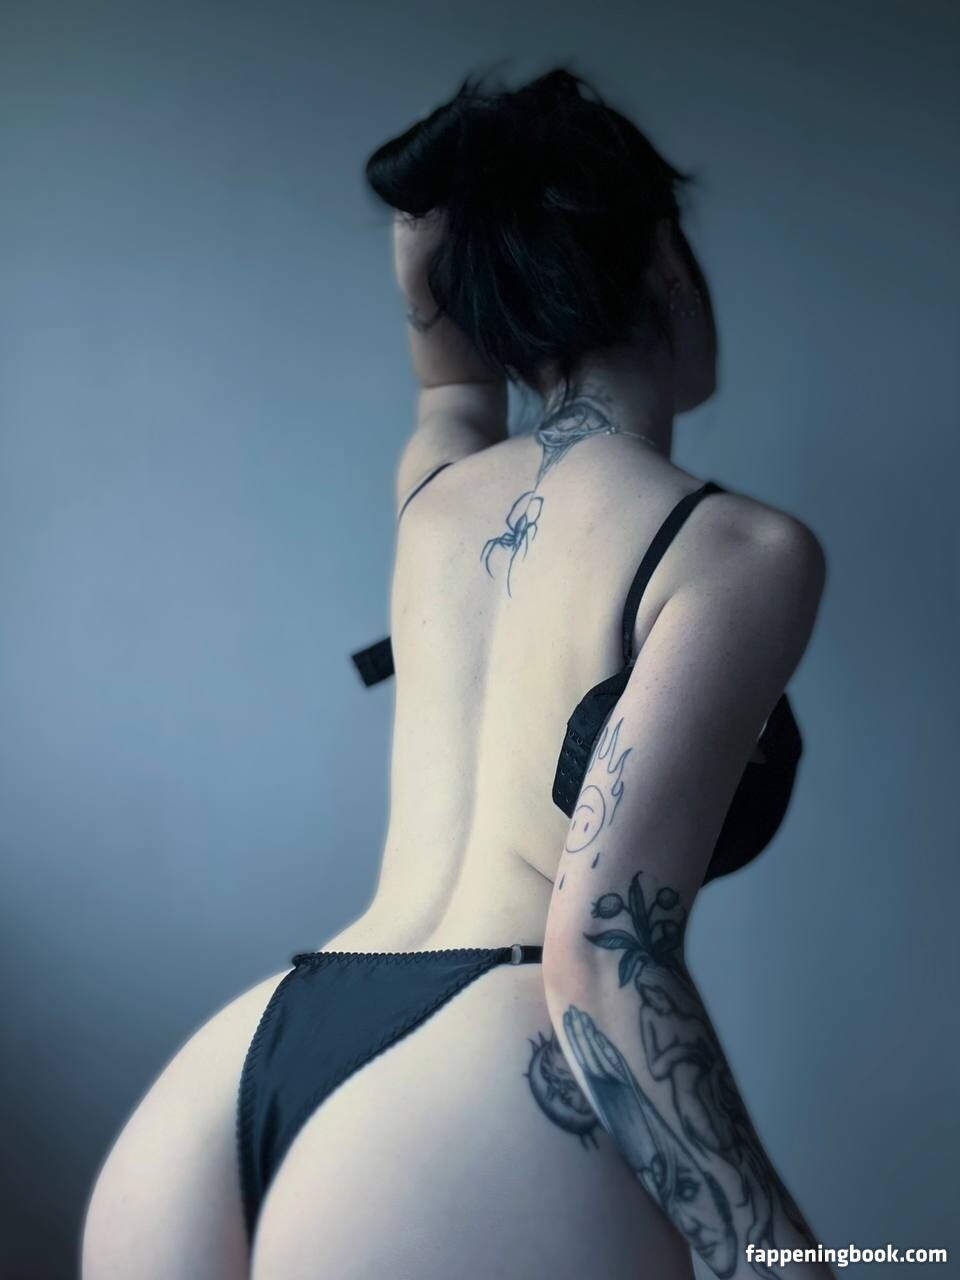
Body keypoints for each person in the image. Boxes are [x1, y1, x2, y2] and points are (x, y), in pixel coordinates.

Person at [81, 65, 832, 1280]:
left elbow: (446, 381)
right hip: (476, 1086)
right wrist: (778, 1256)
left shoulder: (436, 493)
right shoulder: (739, 549)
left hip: (243, 1070)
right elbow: (607, 947)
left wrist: (429, 223)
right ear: (664, 261)